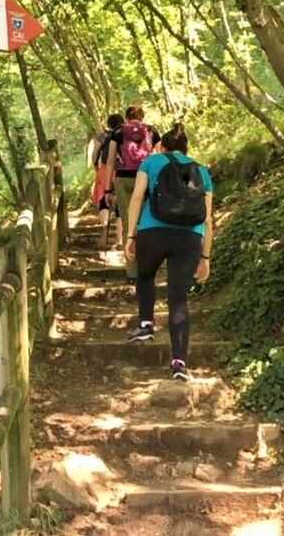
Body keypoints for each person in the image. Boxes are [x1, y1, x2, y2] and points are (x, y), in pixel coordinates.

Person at [123, 124, 213, 382]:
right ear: (187, 149)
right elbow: (208, 219)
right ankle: (179, 363)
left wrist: (131, 235)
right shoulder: (201, 171)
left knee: (146, 275)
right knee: (178, 298)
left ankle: (146, 325)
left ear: (161, 146)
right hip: (189, 237)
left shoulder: (151, 163)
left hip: (153, 231)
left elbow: (137, 197)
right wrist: (205, 257)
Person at [105, 105, 160, 283]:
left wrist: (107, 188)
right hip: (146, 177)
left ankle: (132, 273)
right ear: (142, 117)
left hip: (123, 180)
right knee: (148, 222)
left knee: (129, 224)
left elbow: (110, 161)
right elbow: (160, 157)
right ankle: (148, 269)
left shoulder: (118, 133)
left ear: (126, 117)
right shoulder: (151, 131)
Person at [91, 114, 124, 248]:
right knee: (119, 207)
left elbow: (94, 155)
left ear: (109, 123)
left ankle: (105, 227)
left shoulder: (104, 136)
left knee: (104, 201)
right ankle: (119, 240)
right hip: (122, 171)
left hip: (105, 170)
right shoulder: (125, 135)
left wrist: (96, 166)